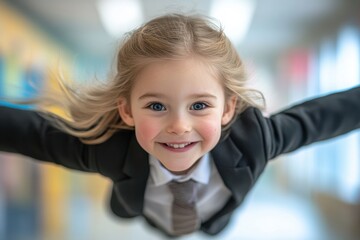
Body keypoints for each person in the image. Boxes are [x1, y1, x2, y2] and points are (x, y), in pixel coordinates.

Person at [0, 14, 359, 237]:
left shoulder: (254, 140)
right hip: (147, 215)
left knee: (215, 229)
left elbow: (322, 117)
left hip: (216, 219)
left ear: (227, 109)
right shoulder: (109, 146)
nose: (178, 125)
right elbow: (34, 134)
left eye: (199, 105)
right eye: (156, 106)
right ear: (126, 112)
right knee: (163, 229)